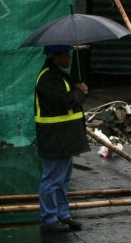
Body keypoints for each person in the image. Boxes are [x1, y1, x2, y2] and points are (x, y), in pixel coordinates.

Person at [34, 44, 89, 233]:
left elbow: (71, 97)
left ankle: (62, 214)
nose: (69, 57)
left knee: (63, 179)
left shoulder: (58, 74)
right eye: (66, 54)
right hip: (55, 137)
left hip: (64, 136)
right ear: (55, 56)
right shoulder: (48, 78)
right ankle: (49, 218)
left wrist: (78, 91)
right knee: (52, 179)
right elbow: (65, 101)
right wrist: (79, 92)